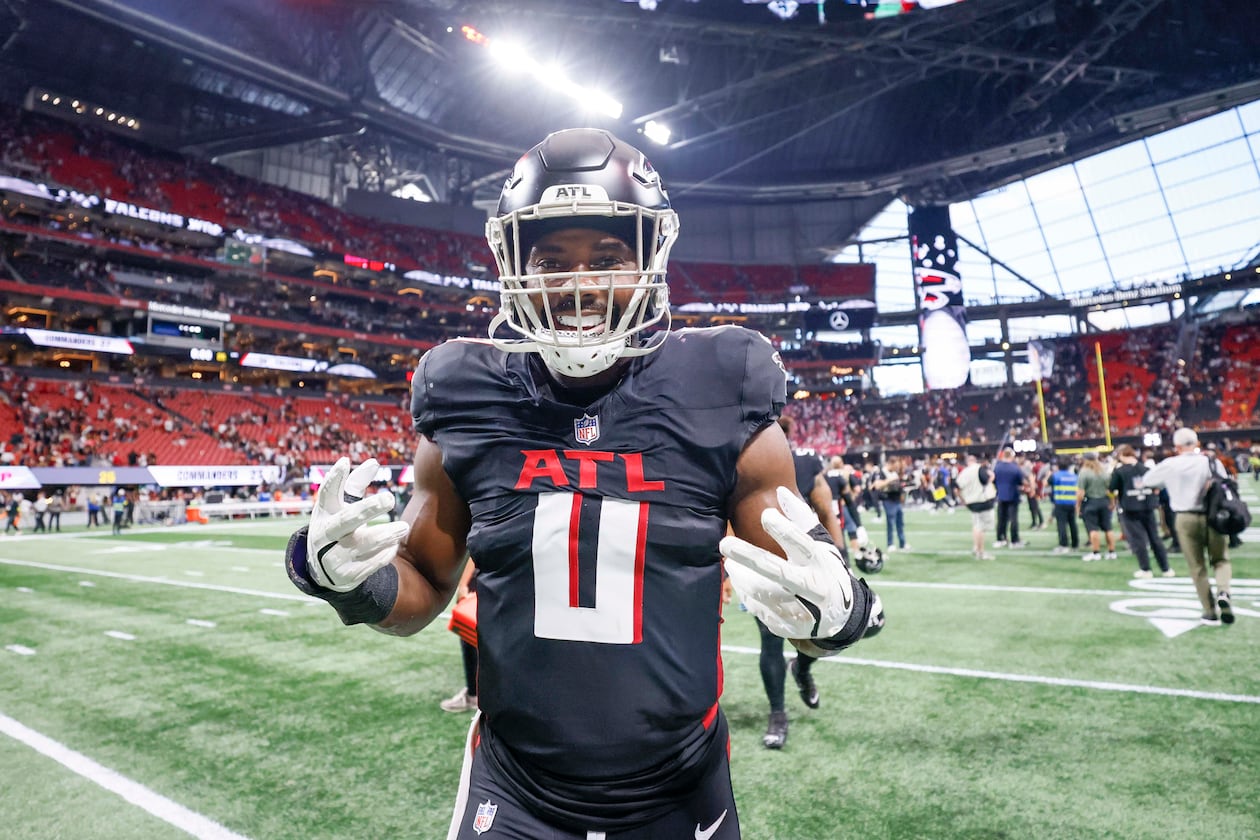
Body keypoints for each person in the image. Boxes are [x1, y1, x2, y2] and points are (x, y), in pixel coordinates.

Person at [283, 128, 878, 840]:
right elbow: (420, 588)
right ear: (510, 263)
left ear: (650, 257)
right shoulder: (464, 390)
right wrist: (349, 581)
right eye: (551, 259)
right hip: (518, 787)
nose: (579, 282)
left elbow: (798, 599)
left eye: (606, 257)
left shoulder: (724, 382)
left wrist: (837, 616)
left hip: (679, 788)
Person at [754, 417, 844, 749]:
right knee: (771, 639)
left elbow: (825, 506)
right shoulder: (742, 461)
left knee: (833, 629)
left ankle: (802, 668)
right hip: (766, 565)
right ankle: (778, 714)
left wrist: (840, 555)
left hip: (809, 565)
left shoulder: (805, 463)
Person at [1143, 427, 1234, 626]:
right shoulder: (1210, 461)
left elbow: (1147, 481)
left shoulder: (1171, 464)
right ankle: (1223, 591)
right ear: (1197, 443)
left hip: (1185, 517)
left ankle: (1209, 611)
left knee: (1197, 567)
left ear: (1176, 447)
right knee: (1221, 560)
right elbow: (1227, 483)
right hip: (1213, 516)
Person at [1108, 444, 1173, 579]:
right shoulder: (1146, 469)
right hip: (1148, 507)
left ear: (1121, 456)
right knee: (1155, 538)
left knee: (1138, 540)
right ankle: (1166, 568)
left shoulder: (1120, 471)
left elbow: (1112, 488)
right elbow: (1158, 486)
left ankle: (1145, 569)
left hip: (1130, 508)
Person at [440, 560, 480, 713]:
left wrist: (463, 584)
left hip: (484, 572)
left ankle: (474, 695)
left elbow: (474, 547)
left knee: (469, 631)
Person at [954, 454, 997, 560]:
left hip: (971, 503)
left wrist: (963, 500)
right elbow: (987, 481)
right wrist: (991, 476)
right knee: (982, 527)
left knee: (977, 525)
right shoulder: (979, 469)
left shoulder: (964, 472)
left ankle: (976, 547)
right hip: (983, 501)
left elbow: (956, 489)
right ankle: (980, 552)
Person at [1076, 453, 1116, 562]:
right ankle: (1112, 552)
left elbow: (1080, 493)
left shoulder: (1084, 473)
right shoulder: (1104, 472)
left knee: (1093, 529)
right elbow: (1110, 490)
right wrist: (1112, 502)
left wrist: (1078, 506)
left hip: (1091, 502)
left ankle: (1096, 552)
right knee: (1108, 528)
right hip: (1104, 501)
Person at [992, 449, 1026, 548]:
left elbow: (993, 480)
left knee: (1001, 519)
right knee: (1013, 519)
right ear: (1011, 456)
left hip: (1001, 496)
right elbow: (1020, 481)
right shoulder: (1015, 468)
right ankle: (1014, 540)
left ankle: (1000, 539)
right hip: (1013, 496)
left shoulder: (997, 467)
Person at [873, 456, 909, 551]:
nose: (897, 468)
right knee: (890, 522)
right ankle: (890, 544)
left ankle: (902, 543)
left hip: (897, 500)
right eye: (895, 466)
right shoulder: (882, 472)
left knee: (900, 523)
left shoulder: (894, 473)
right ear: (890, 463)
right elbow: (877, 485)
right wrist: (889, 480)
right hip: (888, 499)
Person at [1048, 457, 1079, 554]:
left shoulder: (1056, 476)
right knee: (1072, 524)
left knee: (1061, 524)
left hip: (1060, 503)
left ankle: (1063, 545)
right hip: (1072, 503)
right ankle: (1075, 544)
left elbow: (1047, 482)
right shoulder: (1074, 476)